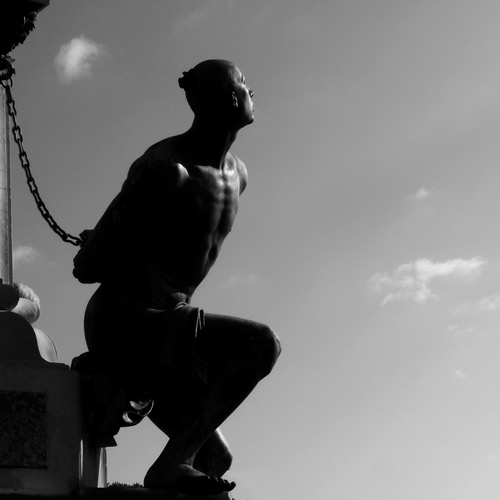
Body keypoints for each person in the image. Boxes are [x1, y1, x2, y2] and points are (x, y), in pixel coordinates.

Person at [73, 59, 281, 494]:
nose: (252, 92)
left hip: (171, 322)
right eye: (246, 84)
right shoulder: (166, 168)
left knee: (214, 458)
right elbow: (87, 267)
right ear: (231, 99)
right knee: (261, 344)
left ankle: (174, 464)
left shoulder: (239, 175)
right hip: (125, 320)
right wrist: (104, 241)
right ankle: (169, 465)